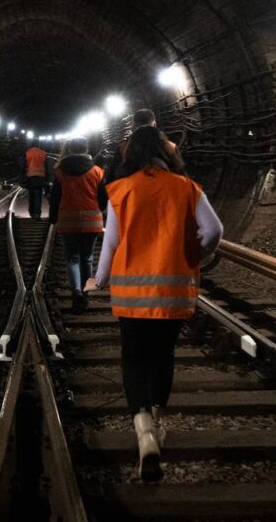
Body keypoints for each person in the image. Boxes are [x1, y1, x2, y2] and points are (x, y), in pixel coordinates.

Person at [87, 127, 223, 482]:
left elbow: (111, 241)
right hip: (173, 291)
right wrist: (194, 255)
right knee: (163, 355)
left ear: (130, 153)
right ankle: (158, 421)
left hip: (131, 293)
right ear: (166, 151)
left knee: (133, 358)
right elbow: (214, 231)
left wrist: (99, 279)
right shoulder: (186, 187)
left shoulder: (122, 189)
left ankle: (144, 432)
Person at [48, 137, 106, 314]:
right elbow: (104, 199)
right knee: (87, 259)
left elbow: (55, 197)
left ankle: (77, 294)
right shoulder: (97, 171)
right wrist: (97, 210)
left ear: (69, 150)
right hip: (92, 221)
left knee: (72, 259)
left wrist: (53, 218)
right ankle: (86, 295)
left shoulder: (59, 171)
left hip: (68, 220)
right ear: (86, 148)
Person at [20, 141, 49, 220]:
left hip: (30, 177)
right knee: (38, 195)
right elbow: (47, 167)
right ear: (39, 145)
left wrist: (22, 178)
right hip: (41, 177)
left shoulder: (27, 153)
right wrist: (48, 179)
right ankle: (37, 213)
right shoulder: (43, 153)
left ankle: (31, 212)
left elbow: (22, 167)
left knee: (31, 194)